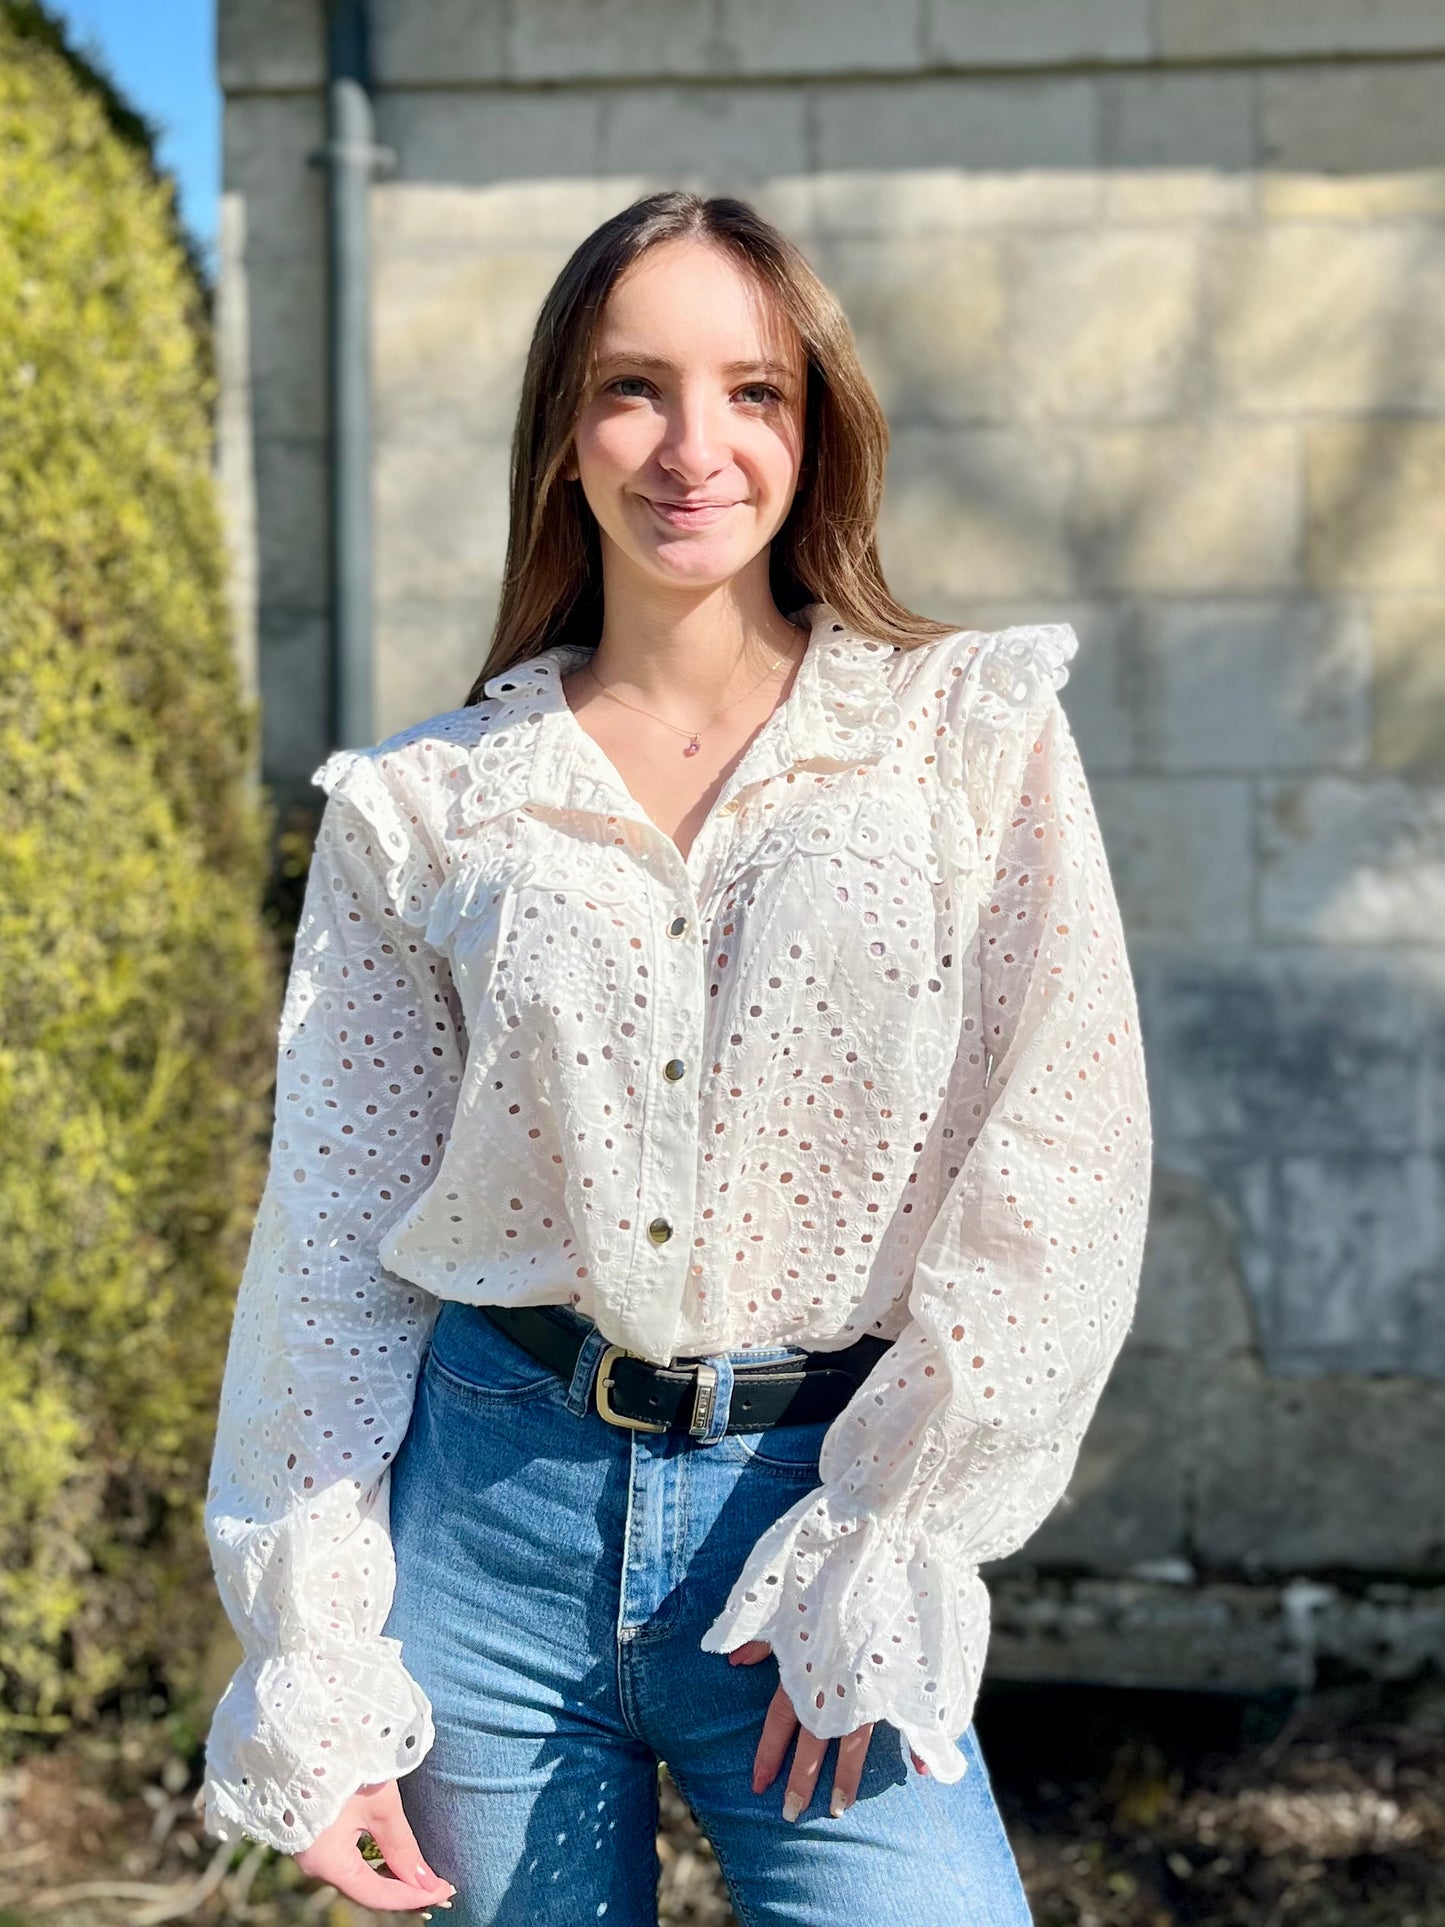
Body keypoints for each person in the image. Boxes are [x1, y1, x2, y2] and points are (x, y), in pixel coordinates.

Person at [200, 189, 1153, 1925]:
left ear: (817, 427)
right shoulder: (425, 807)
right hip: (482, 1532)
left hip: (811, 1513)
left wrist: (889, 1537)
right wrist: (314, 1663)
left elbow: (1062, 1153)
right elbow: (334, 1240)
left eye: (755, 392)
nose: (691, 447)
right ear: (565, 432)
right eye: (634, 388)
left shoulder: (961, 740)